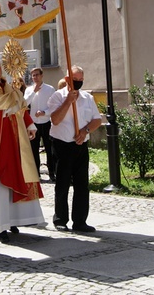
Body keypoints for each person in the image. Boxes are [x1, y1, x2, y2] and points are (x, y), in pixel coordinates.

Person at [0, 55, 45, 244]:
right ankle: (1, 226)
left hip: (15, 139)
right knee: (0, 186)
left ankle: (15, 221)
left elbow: (20, 107)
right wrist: (8, 107)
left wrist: (29, 124)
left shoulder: (7, 85)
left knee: (18, 178)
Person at [48, 65, 102, 233]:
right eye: (74, 80)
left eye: (80, 80)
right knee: (62, 184)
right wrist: (68, 101)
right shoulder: (57, 96)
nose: (78, 83)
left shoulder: (87, 98)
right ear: (66, 80)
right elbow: (55, 119)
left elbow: (97, 120)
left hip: (80, 145)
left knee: (82, 185)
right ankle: (60, 219)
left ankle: (80, 221)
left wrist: (85, 130)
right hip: (62, 144)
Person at [24, 68, 56, 181]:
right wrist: (34, 91)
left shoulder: (50, 89)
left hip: (46, 122)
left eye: (37, 75)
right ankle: (36, 173)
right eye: (33, 76)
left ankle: (52, 173)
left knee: (49, 149)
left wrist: (44, 112)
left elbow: (54, 106)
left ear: (42, 76)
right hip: (33, 124)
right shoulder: (28, 90)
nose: (35, 77)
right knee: (34, 149)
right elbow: (24, 104)